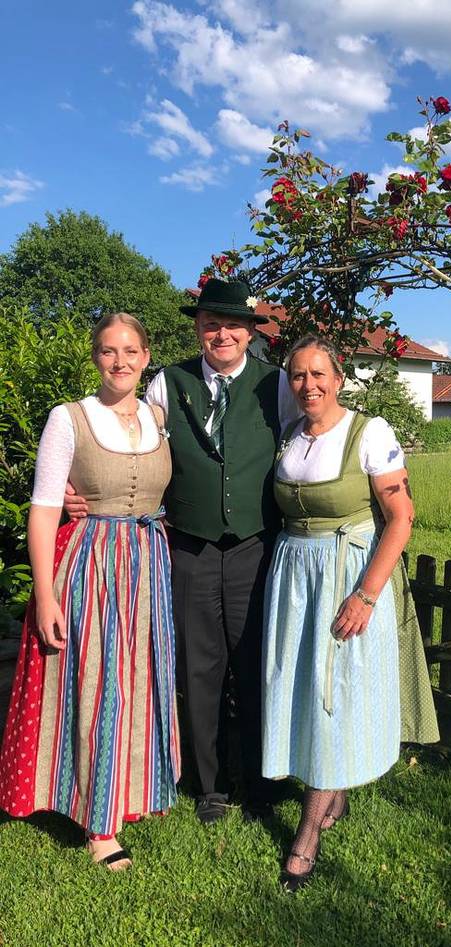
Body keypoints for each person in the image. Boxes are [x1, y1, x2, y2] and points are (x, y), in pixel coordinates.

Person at [65, 278, 298, 824]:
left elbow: (313, 437)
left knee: (257, 664)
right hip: (187, 545)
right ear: (198, 329)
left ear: (249, 332)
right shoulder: (168, 383)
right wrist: (78, 489)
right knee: (199, 669)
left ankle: (261, 783)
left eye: (232, 324)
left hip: (254, 546)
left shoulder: (278, 385)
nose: (222, 333)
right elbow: (127, 445)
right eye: (211, 323)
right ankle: (210, 785)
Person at [0, 313, 180, 869]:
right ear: (96, 357)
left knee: (139, 681)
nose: (120, 361)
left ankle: (134, 789)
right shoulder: (69, 418)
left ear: (147, 357)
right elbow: (44, 509)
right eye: (108, 351)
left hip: (148, 564)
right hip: (89, 565)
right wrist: (47, 596)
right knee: (97, 685)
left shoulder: (158, 415)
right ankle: (98, 825)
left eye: (130, 351)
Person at [262, 334, 439, 891]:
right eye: (298, 375)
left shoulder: (370, 432)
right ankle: (332, 793)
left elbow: (402, 517)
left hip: (345, 578)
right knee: (302, 687)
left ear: (339, 378)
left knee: (330, 698)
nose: (309, 385)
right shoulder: (290, 435)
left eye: (319, 374)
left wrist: (365, 594)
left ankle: (306, 837)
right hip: (294, 578)